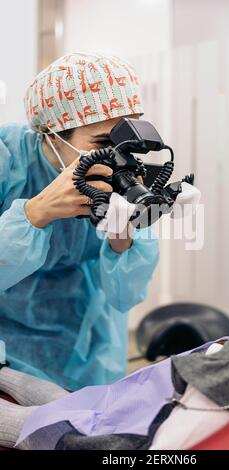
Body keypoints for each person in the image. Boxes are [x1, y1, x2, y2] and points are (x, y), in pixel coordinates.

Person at [0, 220, 229, 450]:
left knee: (36, 420)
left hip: (101, 439)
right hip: (116, 413)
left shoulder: (227, 384)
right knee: (64, 400)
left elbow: (167, 448)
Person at [0, 52, 159, 391]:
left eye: (126, 142)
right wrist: (37, 212)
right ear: (51, 133)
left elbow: (124, 294)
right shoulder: (6, 160)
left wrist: (122, 241)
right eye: (102, 144)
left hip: (84, 340)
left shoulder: (121, 178)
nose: (118, 158)